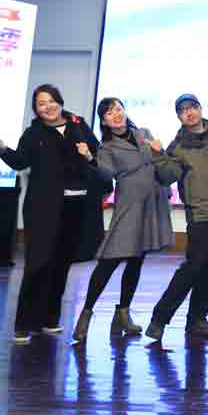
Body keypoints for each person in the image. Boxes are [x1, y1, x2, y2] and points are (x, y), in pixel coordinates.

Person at [0, 84, 107, 344]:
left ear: (60, 102)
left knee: (62, 264)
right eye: (42, 104)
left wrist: (88, 154)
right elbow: (20, 162)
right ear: (36, 109)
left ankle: (49, 319)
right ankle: (23, 324)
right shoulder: (34, 133)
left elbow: (98, 155)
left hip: (76, 206)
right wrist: (3, 149)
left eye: (52, 101)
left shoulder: (78, 124)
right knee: (37, 265)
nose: (48, 107)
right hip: (43, 209)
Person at [73, 97, 183, 344]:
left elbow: (161, 164)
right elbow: (107, 173)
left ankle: (123, 313)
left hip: (153, 202)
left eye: (118, 109)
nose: (116, 114)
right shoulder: (107, 147)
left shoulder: (144, 133)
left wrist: (159, 152)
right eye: (109, 113)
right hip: (130, 204)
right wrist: (90, 158)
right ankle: (86, 314)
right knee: (109, 261)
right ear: (104, 121)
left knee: (136, 260)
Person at [144, 94, 208, 345]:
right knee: (193, 267)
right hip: (200, 214)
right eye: (182, 110)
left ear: (200, 108)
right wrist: (158, 155)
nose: (189, 113)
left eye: (192, 107)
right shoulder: (178, 147)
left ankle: (197, 319)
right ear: (179, 117)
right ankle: (159, 319)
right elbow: (168, 177)